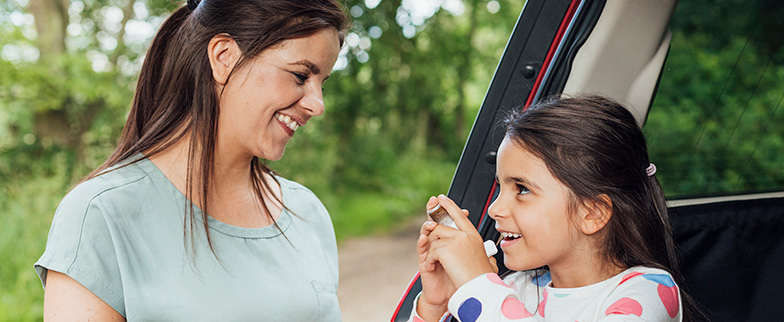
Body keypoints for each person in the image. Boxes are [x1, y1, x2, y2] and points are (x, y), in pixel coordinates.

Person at [34, 0, 348, 320]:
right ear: (223, 57)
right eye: (299, 75)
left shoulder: (308, 213)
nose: (317, 105)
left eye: (322, 83)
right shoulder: (101, 213)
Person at [410, 95, 703, 322]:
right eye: (500, 187)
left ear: (592, 213)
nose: (494, 209)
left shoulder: (647, 293)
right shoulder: (516, 289)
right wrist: (435, 306)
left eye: (522, 189)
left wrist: (478, 284)